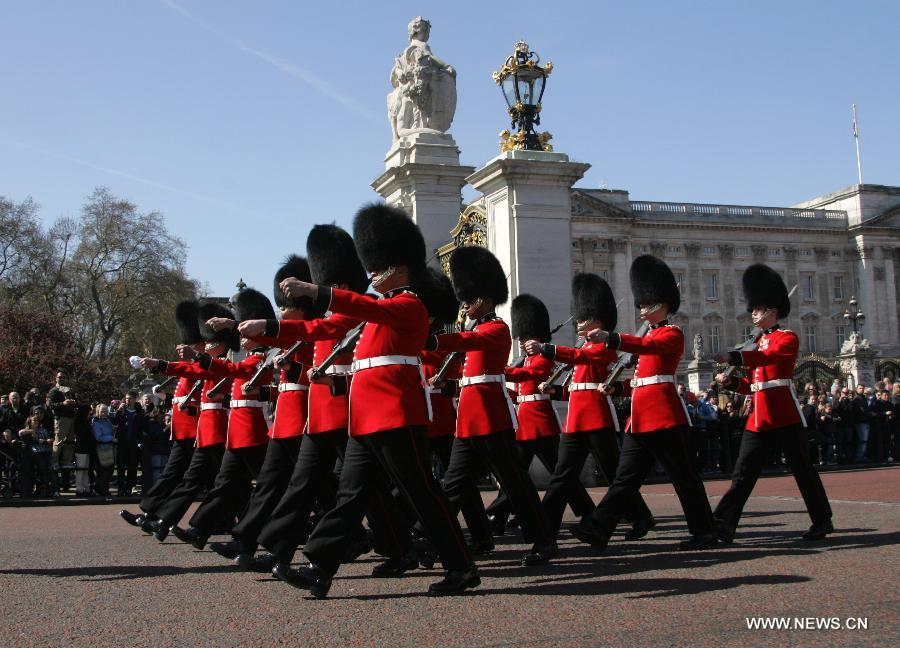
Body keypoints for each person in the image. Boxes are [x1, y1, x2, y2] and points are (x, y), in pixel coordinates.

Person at [278, 205, 477, 598]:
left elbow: (364, 305)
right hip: (364, 416)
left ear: (399, 266)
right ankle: (321, 567)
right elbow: (318, 327)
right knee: (350, 494)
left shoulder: (408, 305)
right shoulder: (376, 312)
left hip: (395, 412)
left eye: (378, 265)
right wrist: (265, 328)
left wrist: (315, 290)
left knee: (422, 492)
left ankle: (461, 566)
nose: (371, 273)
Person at [238, 224, 377, 575]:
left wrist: (271, 331)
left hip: (348, 410)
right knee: (303, 485)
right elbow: (311, 332)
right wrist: (267, 329)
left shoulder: (362, 310)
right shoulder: (333, 314)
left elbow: (324, 338)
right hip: (319, 413)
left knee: (358, 490)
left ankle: (393, 543)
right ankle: (278, 547)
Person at [568, 254, 718, 551]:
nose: (641, 309)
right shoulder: (647, 336)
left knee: (683, 477)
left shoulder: (671, 334)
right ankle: (600, 526)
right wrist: (618, 389)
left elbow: (650, 352)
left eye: (646, 304)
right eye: (641, 304)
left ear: (662, 304)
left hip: (664, 416)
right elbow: (640, 380)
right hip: (639, 417)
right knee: (625, 478)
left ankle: (705, 530)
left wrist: (613, 339)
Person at [428, 245, 556, 565]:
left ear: (483, 298)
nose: (465, 304)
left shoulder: (496, 329)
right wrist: (448, 381)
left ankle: (543, 540)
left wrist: (433, 340)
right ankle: (434, 538)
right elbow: (468, 375)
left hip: (490, 416)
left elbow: (468, 347)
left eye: (469, 299)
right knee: (454, 484)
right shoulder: (476, 329)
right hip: (468, 419)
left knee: (514, 483)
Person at [207, 255, 320, 570]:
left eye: (286, 305)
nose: (281, 311)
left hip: (304, 416)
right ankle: (246, 542)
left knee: (309, 489)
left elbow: (277, 336)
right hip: (285, 419)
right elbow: (268, 335)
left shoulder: (310, 329)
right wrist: (234, 324)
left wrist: (234, 324)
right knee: (272, 484)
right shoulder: (289, 333)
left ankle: (350, 536)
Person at [528, 274, 655, 544]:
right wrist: (556, 391)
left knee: (614, 474)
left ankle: (640, 516)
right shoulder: (584, 345)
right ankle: (545, 534)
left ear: (598, 320)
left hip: (597, 417)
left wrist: (548, 349)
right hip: (576, 419)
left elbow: (581, 359)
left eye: (585, 318)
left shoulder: (602, 347)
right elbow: (576, 385)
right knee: (561, 477)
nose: (579, 323)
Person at [713, 263, 833, 541]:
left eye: (758, 309)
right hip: (759, 415)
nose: (753, 313)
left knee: (802, 470)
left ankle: (822, 519)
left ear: (773, 311)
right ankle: (724, 523)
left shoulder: (786, 337)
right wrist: (731, 383)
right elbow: (754, 385)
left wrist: (735, 357)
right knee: (742, 473)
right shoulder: (756, 344)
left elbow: (769, 361)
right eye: (753, 309)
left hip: (783, 413)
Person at [169, 288, 277, 550]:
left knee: (268, 486)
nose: (243, 338)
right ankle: (200, 529)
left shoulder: (261, 359)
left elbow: (235, 370)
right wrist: (165, 366)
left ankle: (264, 534)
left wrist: (199, 358)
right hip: (237, 431)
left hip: (252, 430)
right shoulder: (253, 357)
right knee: (224, 483)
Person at [483, 293, 595, 537]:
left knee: (557, 474)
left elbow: (529, 376)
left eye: (526, 337)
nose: (522, 342)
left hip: (541, 424)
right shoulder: (525, 359)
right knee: (516, 475)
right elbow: (519, 393)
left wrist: (501, 371)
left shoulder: (543, 357)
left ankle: (586, 511)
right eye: (521, 338)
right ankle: (500, 516)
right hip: (525, 423)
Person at [140, 302, 239, 541]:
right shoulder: (210, 363)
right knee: (200, 480)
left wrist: (194, 357)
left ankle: (239, 525)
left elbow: (206, 370)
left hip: (219, 428)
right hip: (206, 429)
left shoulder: (226, 364)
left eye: (212, 342)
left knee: (228, 483)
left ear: (223, 344)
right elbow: (193, 371)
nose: (209, 346)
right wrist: (161, 365)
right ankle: (165, 521)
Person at [120, 300, 205, 530]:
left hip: (195, 429)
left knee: (178, 476)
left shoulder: (203, 365)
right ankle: (154, 515)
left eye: (192, 343)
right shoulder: (192, 364)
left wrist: (160, 364)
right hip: (184, 428)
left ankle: (152, 514)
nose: (184, 347)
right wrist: (165, 395)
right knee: (181, 476)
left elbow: (189, 378)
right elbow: (181, 396)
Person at [113, 391, 145, 496]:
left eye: (130, 398)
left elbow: (141, 427)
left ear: (135, 399)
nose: (128, 400)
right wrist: (119, 410)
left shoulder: (139, 412)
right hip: (122, 442)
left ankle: (130, 487)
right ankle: (121, 488)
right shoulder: (122, 411)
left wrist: (139, 441)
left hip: (133, 443)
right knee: (121, 466)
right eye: (126, 398)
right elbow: (115, 422)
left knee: (132, 466)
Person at [91, 404, 115, 496]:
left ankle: (99, 488)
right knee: (105, 470)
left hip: (108, 448)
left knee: (109, 469)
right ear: (98, 412)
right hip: (101, 449)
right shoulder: (96, 423)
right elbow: (98, 437)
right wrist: (111, 438)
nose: (104, 413)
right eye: (102, 411)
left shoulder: (107, 421)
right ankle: (103, 490)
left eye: (105, 411)